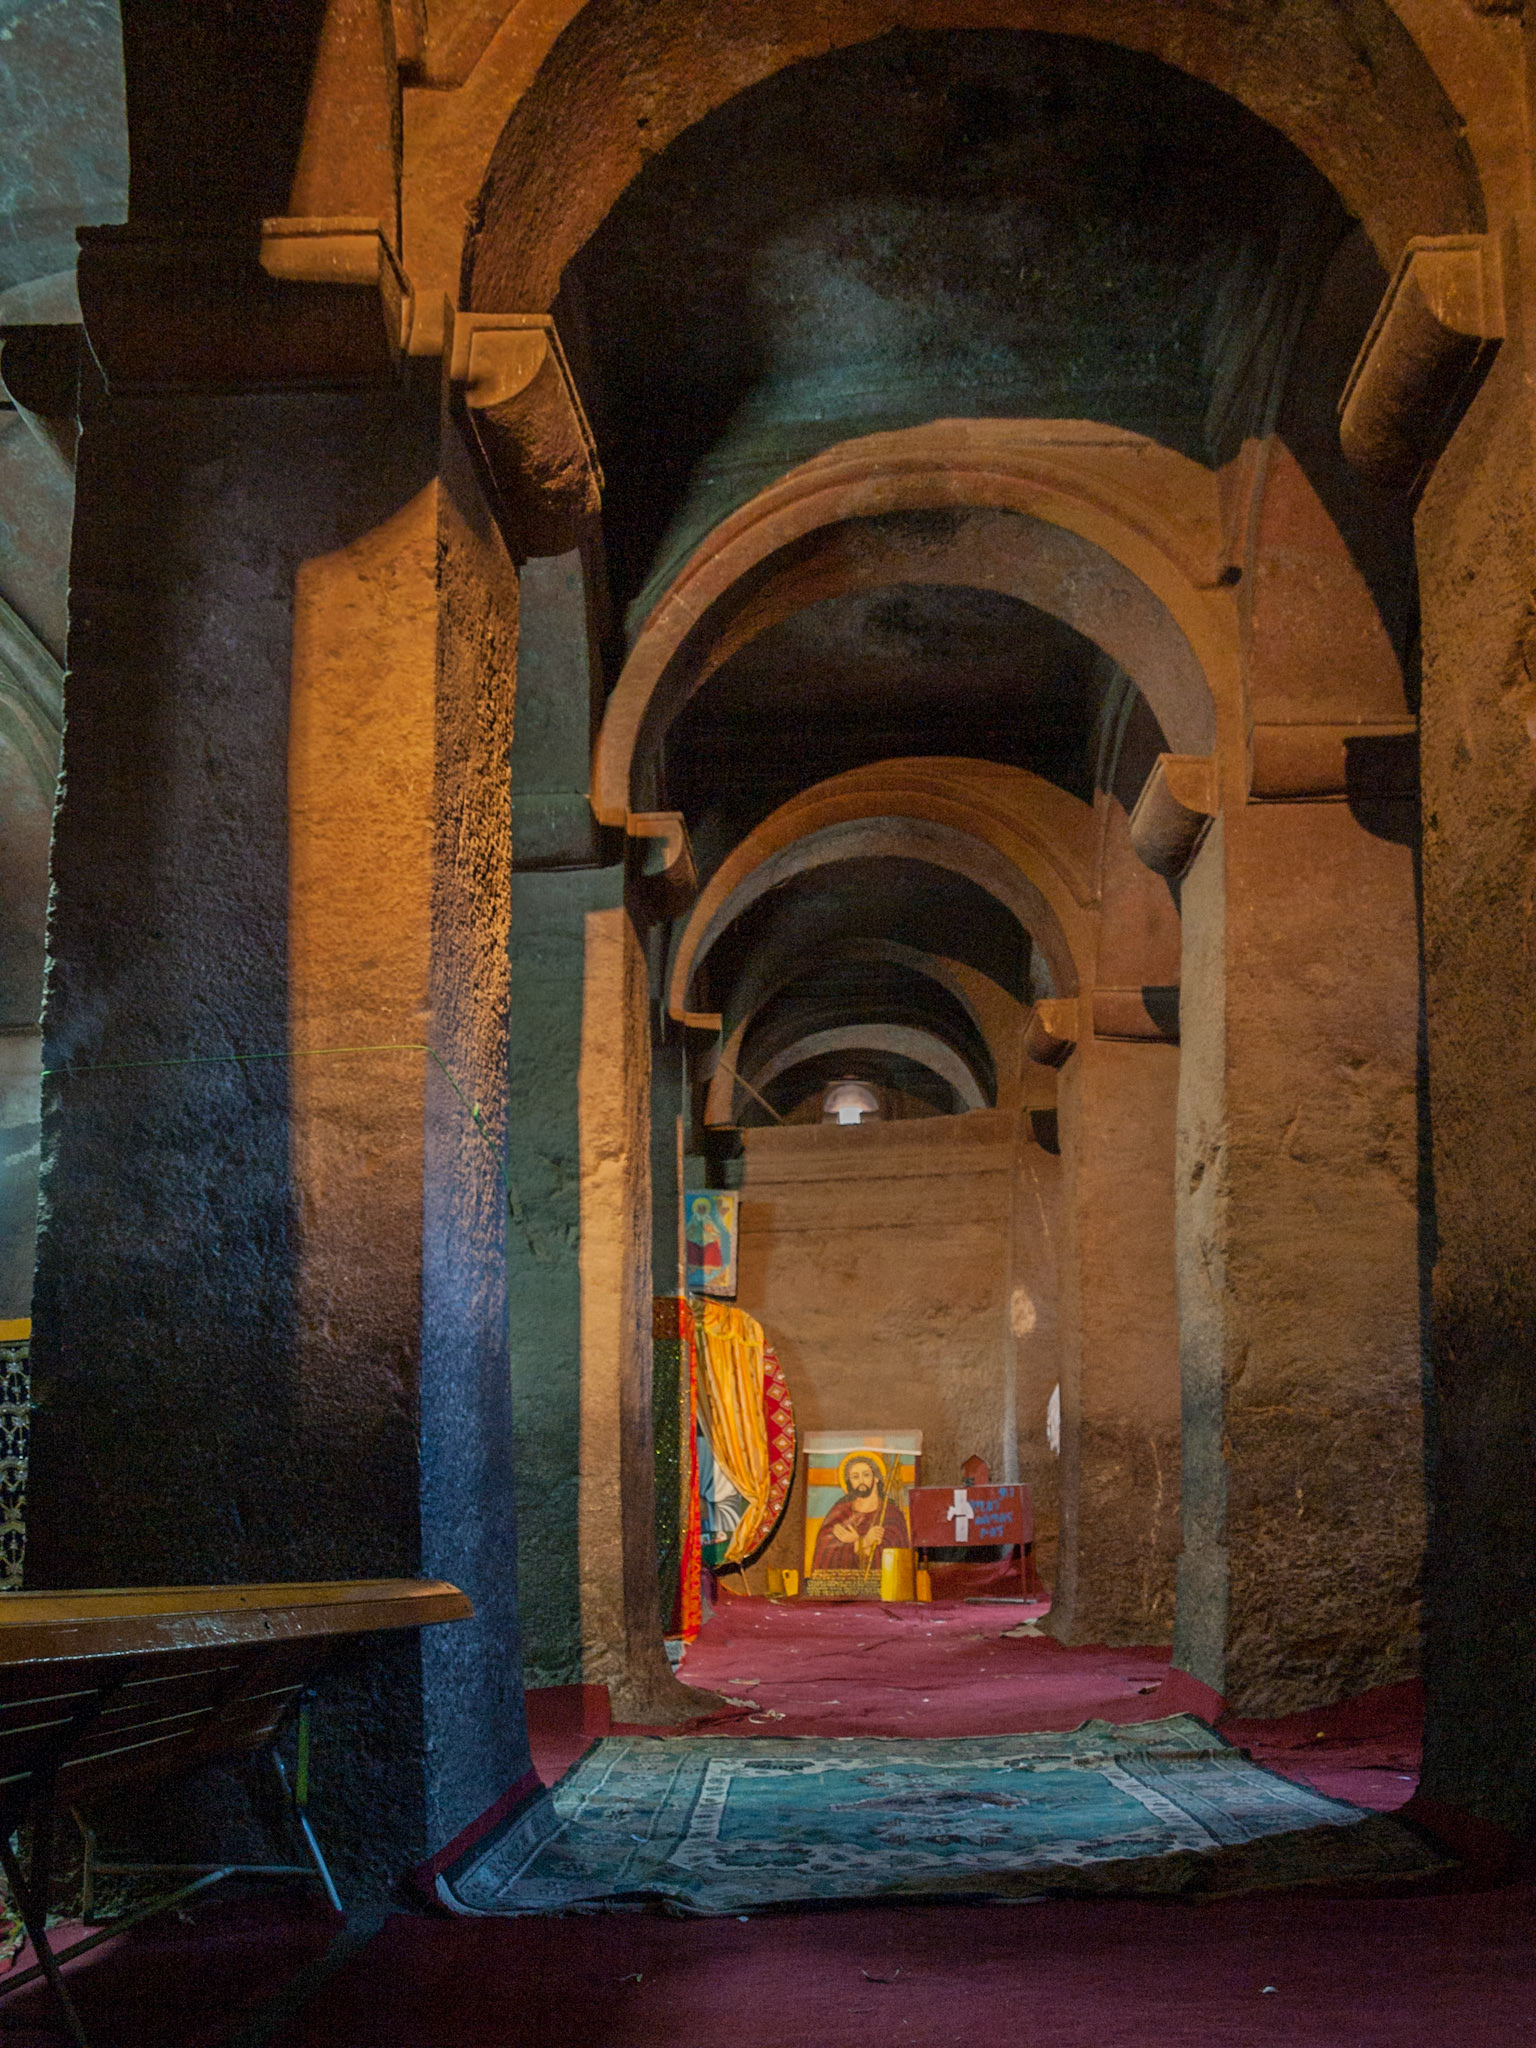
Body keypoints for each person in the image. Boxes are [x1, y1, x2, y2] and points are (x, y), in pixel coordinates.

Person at [811, 1453, 909, 1574]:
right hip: (845, 1586)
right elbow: (825, 1552)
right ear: (849, 1482)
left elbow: (897, 1557)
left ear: (876, 1478)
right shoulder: (841, 1512)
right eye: (855, 1477)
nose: (861, 1481)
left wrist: (854, 1543)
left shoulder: (891, 1513)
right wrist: (864, 1542)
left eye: (866, 1475)